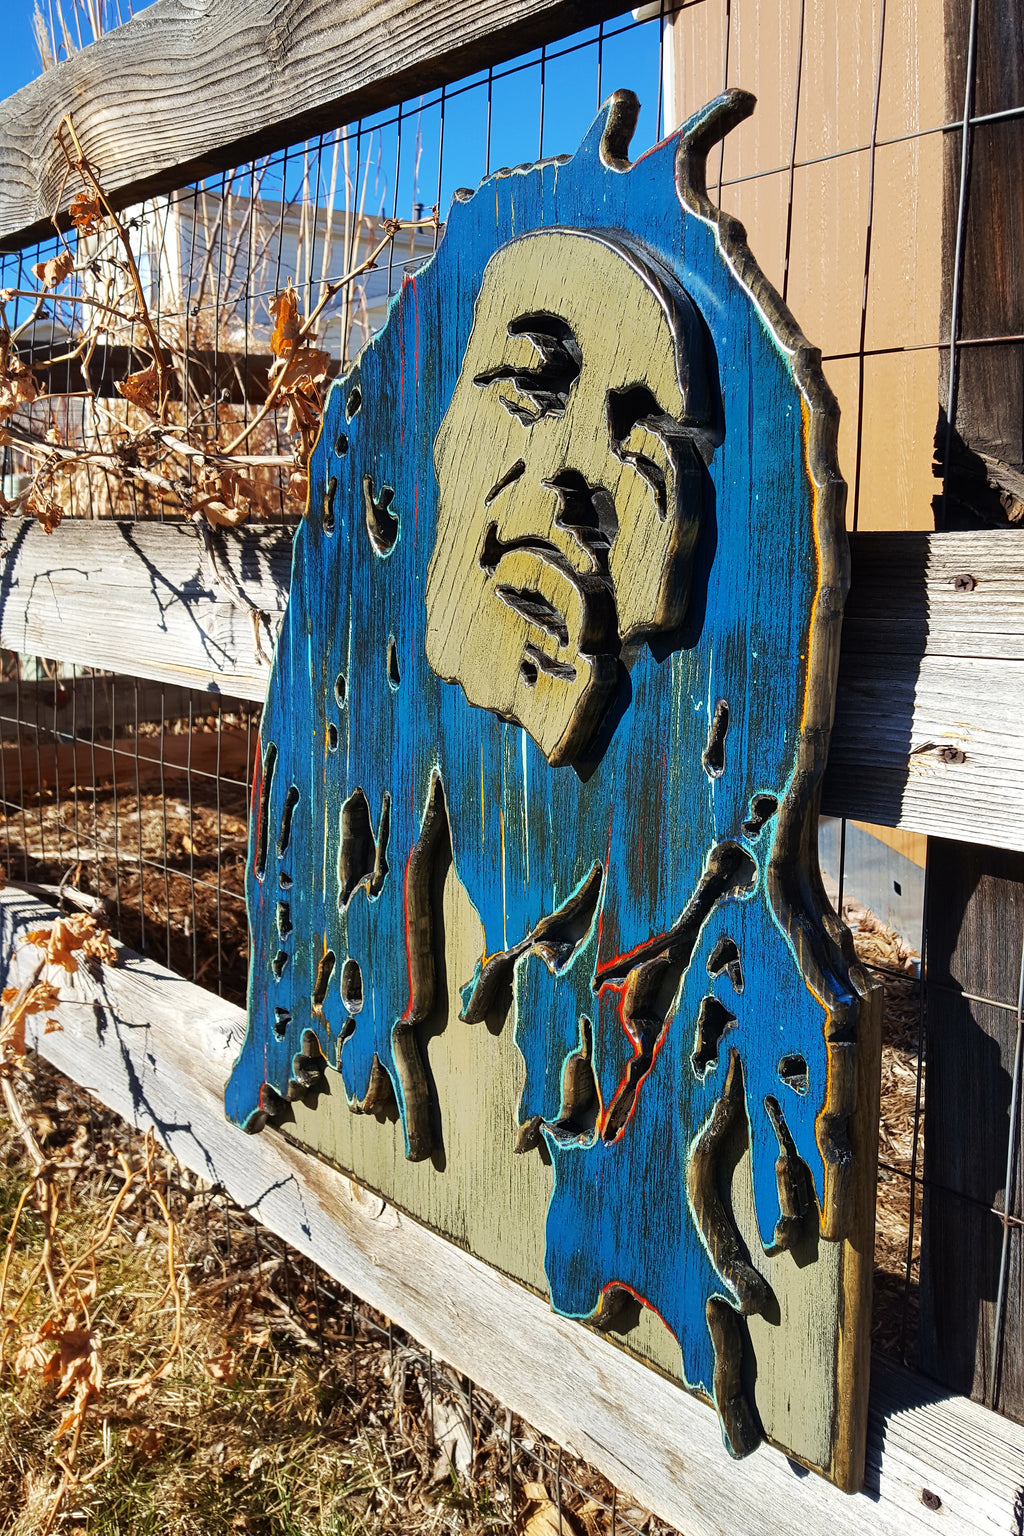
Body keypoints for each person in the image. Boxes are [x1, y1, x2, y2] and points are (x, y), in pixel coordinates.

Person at [227, 89, 865, 1460]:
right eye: (532, 380)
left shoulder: (675, 949)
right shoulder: (376, 873)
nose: (579, 474)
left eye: (649, 440)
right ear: (425, 450)